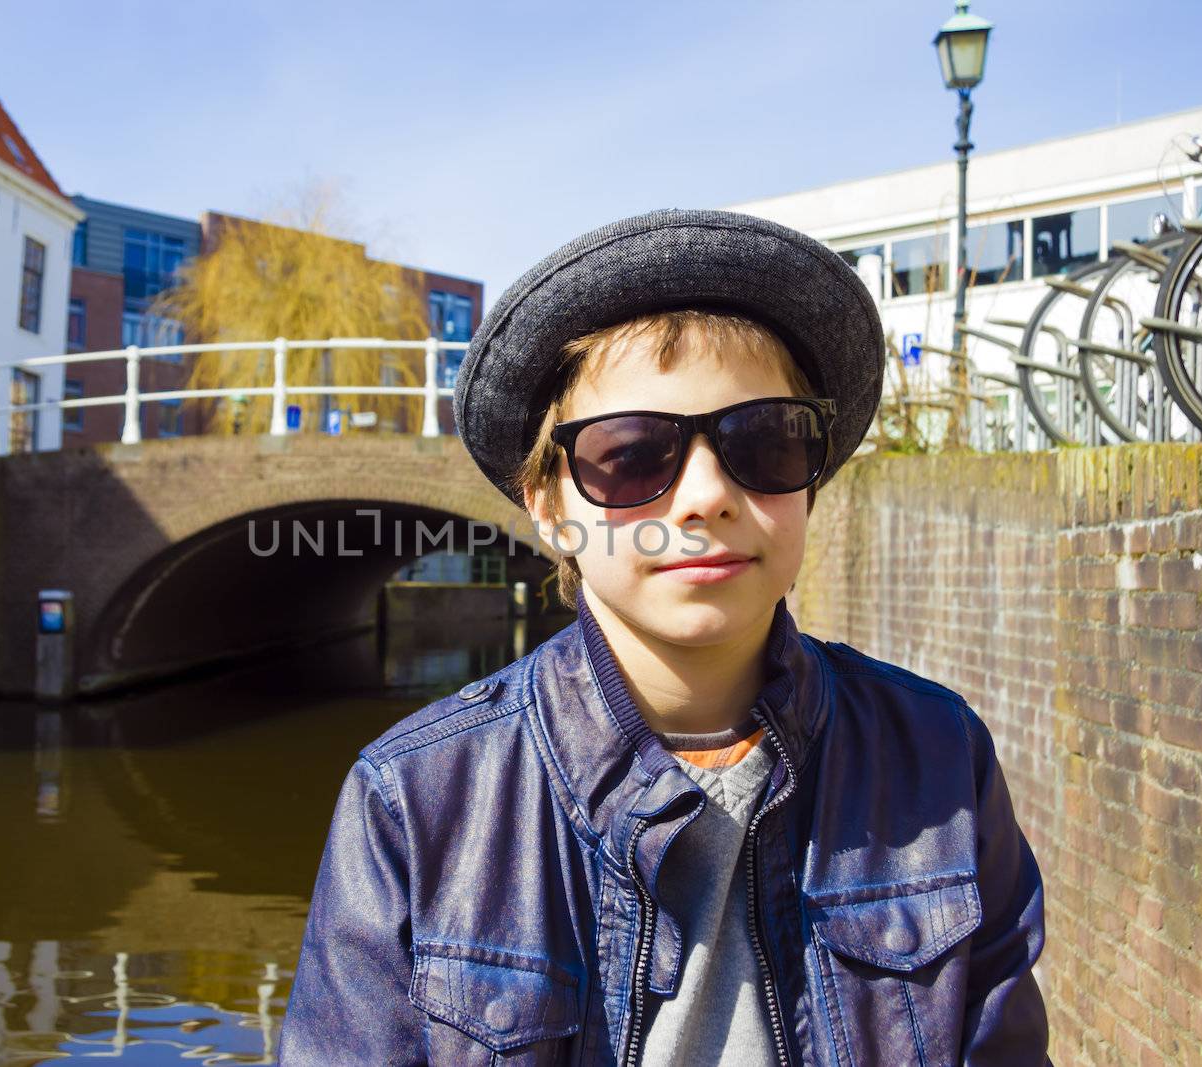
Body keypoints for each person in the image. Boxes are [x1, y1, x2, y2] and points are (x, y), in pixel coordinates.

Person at [278, 209, 1050, 1066]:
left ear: (812, 477)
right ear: (547, 505)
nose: (706, 496)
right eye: (634, 454)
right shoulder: (414, 803)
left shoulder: (940, 757)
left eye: (764, 441)